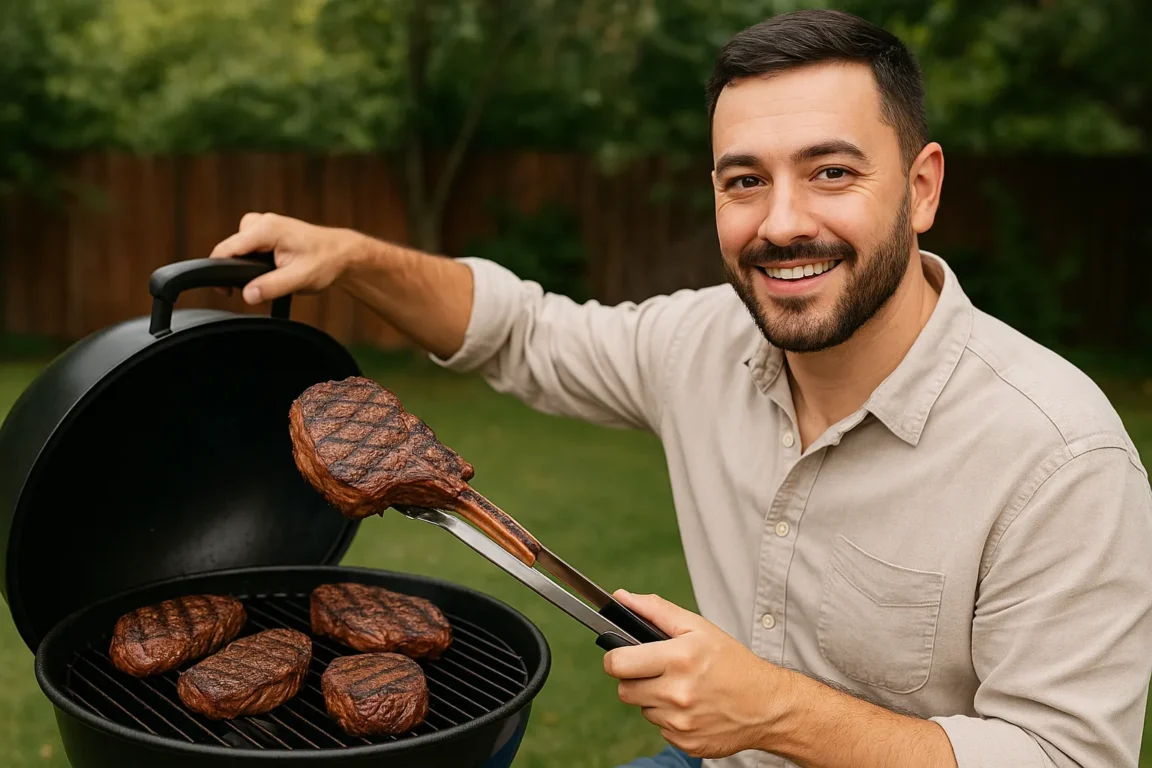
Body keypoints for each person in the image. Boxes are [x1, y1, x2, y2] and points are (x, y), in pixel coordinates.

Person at [209, 9, 1152, 768]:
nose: (782, 224)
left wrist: (775, 713)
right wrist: (352, 257)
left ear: (922, 186)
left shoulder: (1059, 454)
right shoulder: (705, 341)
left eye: (831, 172)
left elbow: (1062, 756)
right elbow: (521, 330)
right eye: (744, 180)